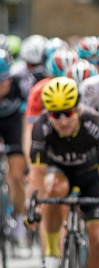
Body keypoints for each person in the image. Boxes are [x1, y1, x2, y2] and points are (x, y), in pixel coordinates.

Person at [28, 77, 99, 268]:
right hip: (59, 175)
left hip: (90, 179)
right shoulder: (41, 128)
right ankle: (52, 256)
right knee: (53, 190)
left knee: (98, 239)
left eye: (68, 113)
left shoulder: (95, 125)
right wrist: (34, 205)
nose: (63, 120)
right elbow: (38, 174)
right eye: (56, 115)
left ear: (78, 108)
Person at [0, 49, 30, 252]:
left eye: (4, 81)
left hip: (13, 126)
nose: (1, 87)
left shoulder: (20, 84)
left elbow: (29, 118)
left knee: (16, 175)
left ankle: (20, 223)